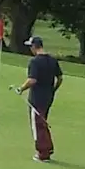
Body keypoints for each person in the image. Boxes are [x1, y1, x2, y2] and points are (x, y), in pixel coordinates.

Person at [14, 34, 63, 162]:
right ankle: (47, 149)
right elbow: (60, 78)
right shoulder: (52, 60)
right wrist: (53, 90)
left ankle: (43, 152)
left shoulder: (35, 61)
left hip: (36, 98)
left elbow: (32, 80)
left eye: (30, 46)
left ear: (34, 47)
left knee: (38, 124)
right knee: (42, 122)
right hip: (48, 97)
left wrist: (21, 88)